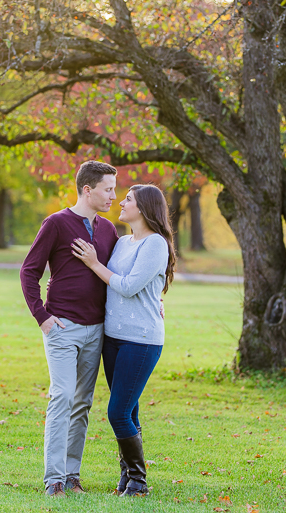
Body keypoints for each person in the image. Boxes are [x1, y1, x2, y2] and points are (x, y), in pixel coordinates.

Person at [19, 160, 119, 497]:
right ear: (88, 190)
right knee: (62, 396)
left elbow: (117, 277)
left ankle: (72, 475)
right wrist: (43, 318)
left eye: (115, 190)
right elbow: (28, 272)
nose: (113, 196)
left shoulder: (108, 230)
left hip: (97, 330)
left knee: (82, 403)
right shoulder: (57, 224)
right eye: (108, 189)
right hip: (62, 327)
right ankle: (54, 480)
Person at [71, 184, 176, 497]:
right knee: (129, 411)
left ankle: (139, 481)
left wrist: (93, 263)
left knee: (117, 412)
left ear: (143, 208)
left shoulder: (156, 244)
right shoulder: (123, 242)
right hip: (113, 337)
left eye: (127, 199)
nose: (120, 201)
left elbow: (129, 286)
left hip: (141, 340)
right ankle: (127, 480)